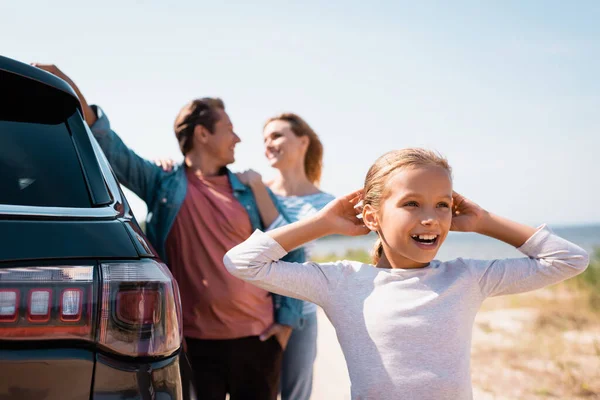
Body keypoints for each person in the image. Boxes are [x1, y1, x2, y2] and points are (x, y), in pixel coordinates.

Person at [223, 148, 590, 400]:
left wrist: (485, 222)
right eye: (411, 203)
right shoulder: (341, 282)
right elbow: (243, 262)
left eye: (443, 205)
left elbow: (569, 260)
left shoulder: (467, 278)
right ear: (372, 217)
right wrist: (322, 223)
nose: (430, 217)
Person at [33, 64, 305, 400]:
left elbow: (294, 248)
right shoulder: (162, 184)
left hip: (258, 340)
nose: (238, 138)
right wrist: (66, 84)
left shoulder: (251, 192)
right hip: (194, 345)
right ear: (203, 135)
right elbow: (110, 147)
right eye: (229, 129)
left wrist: (286, 325)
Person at [237, 113, 335, 400]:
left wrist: (257, 188)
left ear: (303, 141)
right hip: (256, 313)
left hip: (302, 316)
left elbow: (291, 244)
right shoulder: (251, 189)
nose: (269, 144)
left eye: (277, 135)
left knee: (297, 396)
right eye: (265, 139)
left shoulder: (324, 203)